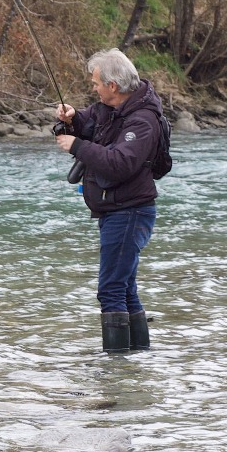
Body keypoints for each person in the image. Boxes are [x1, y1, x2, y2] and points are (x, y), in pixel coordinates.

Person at [55, 48, 165, 353]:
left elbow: (120, 163)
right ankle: (135, 360)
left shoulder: (142, 121)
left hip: (130, 212)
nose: (94, 88)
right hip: (117, 210)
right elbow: (91, 119)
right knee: (125, 289)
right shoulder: (113, 108)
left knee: (111, 290)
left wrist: (77, 146)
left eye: (96, 83)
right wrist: (73, 116)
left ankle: (115, 365)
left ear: (112, 86)